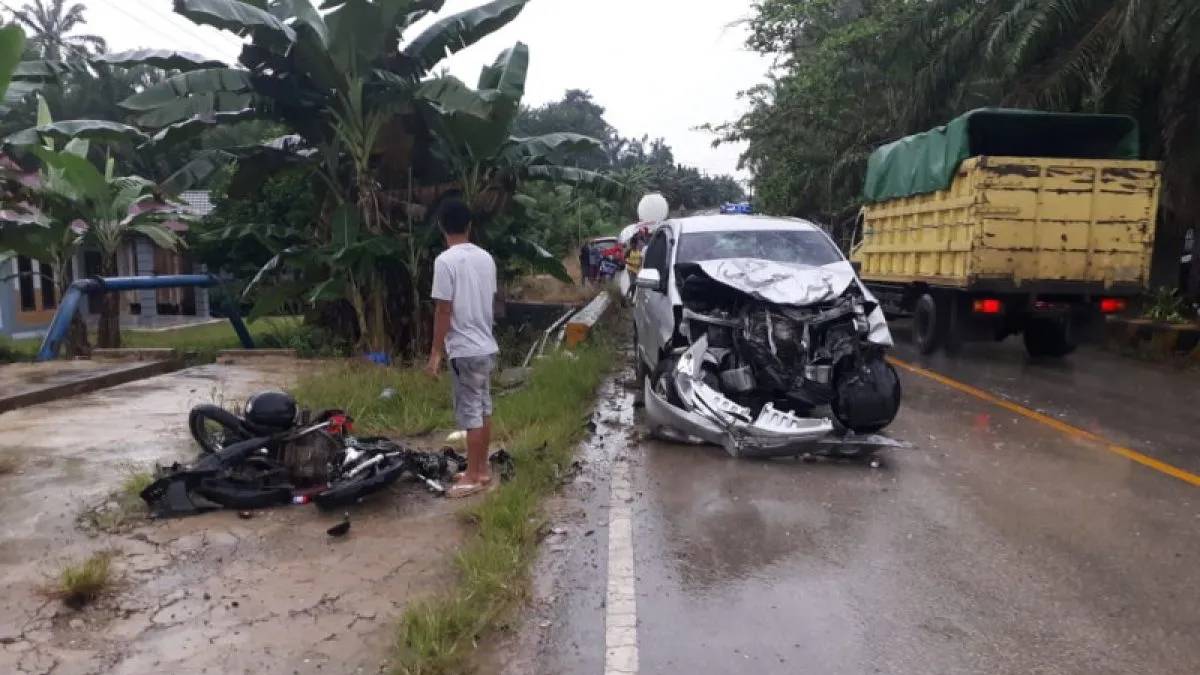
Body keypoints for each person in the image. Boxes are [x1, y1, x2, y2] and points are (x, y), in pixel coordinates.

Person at [425, 198, 499, 498]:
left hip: (464, 348)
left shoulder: (445, 261)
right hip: (485, 345)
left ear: (442, 226)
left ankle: (473, 473)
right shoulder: (486, 258)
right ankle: (481, 469)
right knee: (482, 408)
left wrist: (435, 352)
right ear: (469, 226)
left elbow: (444, 310)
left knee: (470, 413)